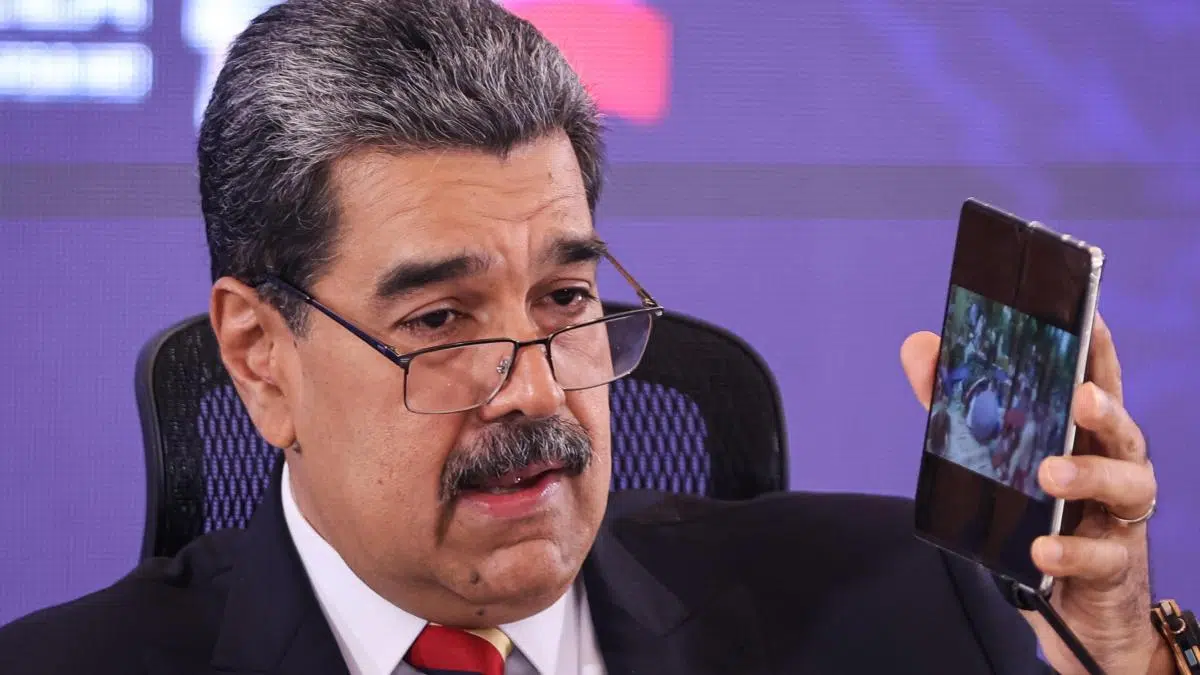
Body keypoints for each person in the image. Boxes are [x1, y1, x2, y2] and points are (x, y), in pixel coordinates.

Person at [0, 1, 1177, 673]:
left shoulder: (910, 608)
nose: (537, 393)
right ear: (261, 357)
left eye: (565, 299)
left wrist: (1120, 650)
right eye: (441, 320)